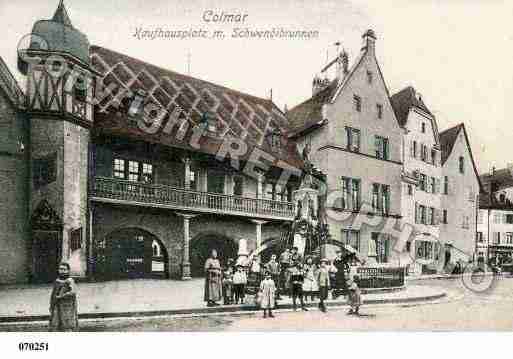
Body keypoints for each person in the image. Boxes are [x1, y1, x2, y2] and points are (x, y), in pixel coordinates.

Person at [49, 262, 78, 332]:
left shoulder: (69, 280)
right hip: (57, 305)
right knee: (56, 323)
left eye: (64, 269)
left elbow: (73, 292)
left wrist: (62, 296)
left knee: (67, 324)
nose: (62, 271)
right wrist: (51, 304)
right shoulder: (57, 280)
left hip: (67, 306)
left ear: (68, 270)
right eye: (60, 269)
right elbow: (53, 293)